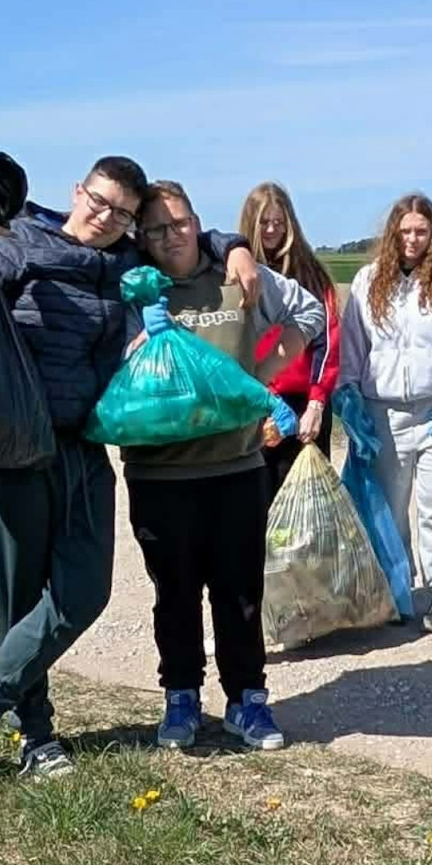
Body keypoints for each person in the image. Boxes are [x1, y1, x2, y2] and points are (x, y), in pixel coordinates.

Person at [0, 155, 263, 785]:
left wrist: (232, 245)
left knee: (84, 592)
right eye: (99, 202)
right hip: (12, 444)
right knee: (19, 595)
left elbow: (179, 233)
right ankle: (36, 738)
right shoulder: (20, 240)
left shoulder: (124, 261)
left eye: (122, 214)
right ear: (79, 191)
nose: (105, 218)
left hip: (82, 448)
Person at [124, 180, 324, 751]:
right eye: (156, 229)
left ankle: (247, 702)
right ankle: (181, 697)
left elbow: (308, 310)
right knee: (175, 592)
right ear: (142, 236)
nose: (171, 237)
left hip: (235, 467)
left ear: (196, 221)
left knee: (239, 594)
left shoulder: (237, 275)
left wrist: (258, 377)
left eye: (180, 223)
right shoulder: (135, 287)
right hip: (159, 472)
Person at [337, 193, 432, 633]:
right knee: (390, 508)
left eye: (421, 231)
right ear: (392, 233)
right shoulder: (367, 281)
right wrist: (350, 396)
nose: (413, 240)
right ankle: (397, 589)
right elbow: (354, 343)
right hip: (384, 413)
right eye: (405, 231)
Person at [239, 182, 340, 497]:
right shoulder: (238, 271)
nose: (271, 230)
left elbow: (327, 340)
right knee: (254, 502)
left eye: (279, 222)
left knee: (304, 503)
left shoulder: (310, 274)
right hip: (255, 404)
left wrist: (316, 402)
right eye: (264, 222)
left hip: (303, 409)